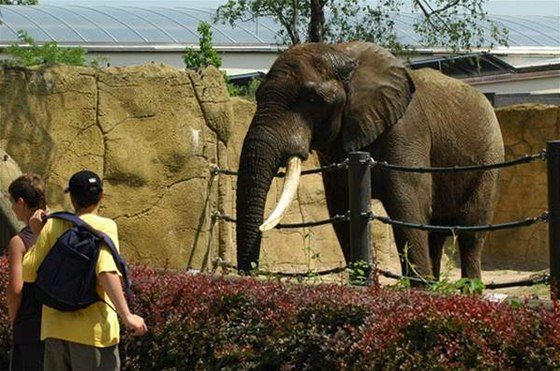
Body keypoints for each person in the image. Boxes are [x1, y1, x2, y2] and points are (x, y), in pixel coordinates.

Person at [22, 170, 147, 370]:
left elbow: (28, 273)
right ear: (102, 196)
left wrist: (37, 234)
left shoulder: (53, 224)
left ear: (72, 198)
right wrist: (127, 316)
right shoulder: (105, 227)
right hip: (93, 334)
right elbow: (106, 272)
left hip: (55, 332)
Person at [6, 173, 47, 371]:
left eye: (12, 202)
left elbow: (15, 290)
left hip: (30, 326)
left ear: (21, 202)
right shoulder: (62, 228)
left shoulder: (19, 242)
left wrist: (14, 319)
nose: (12, 208)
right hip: (62, 323)